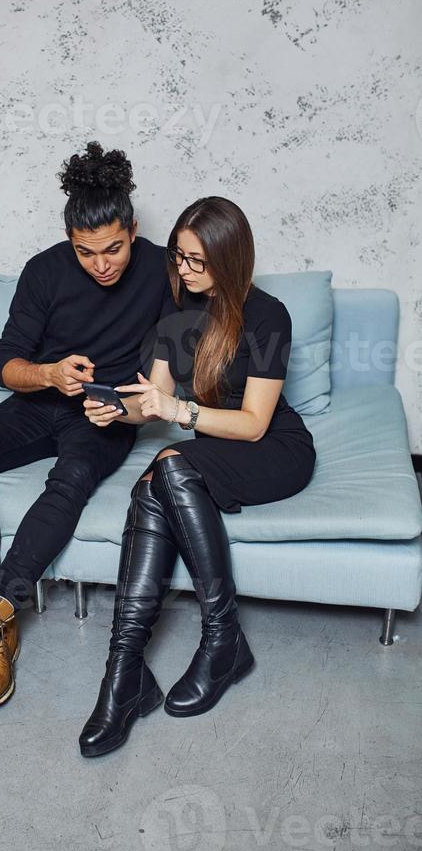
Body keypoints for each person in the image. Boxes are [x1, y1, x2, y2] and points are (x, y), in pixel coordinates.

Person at [79, 196, 317, 757]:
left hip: (274, 449)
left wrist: (179, 413)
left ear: (229, 260)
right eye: (178, 258)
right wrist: (118, 408)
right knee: (156, 480)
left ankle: (218, 642)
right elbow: (151, 402)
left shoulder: (268, 316)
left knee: (170, 468)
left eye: (196, 261)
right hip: (211, 451)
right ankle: (126, 670)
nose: (182, 272)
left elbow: (256, 424)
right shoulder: (177, 316)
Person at [0, 142, 171, 710]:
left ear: (134, 230)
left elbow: (206, 329)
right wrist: (47, 373)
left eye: (114, 248)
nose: (101, 264)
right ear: (70, 241)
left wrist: (123, 406)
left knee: (69, 481)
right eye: (86, 251)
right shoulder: (44, 271)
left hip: (109, 413)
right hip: (47, 398)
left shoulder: (166, 271)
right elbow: (6, 364)